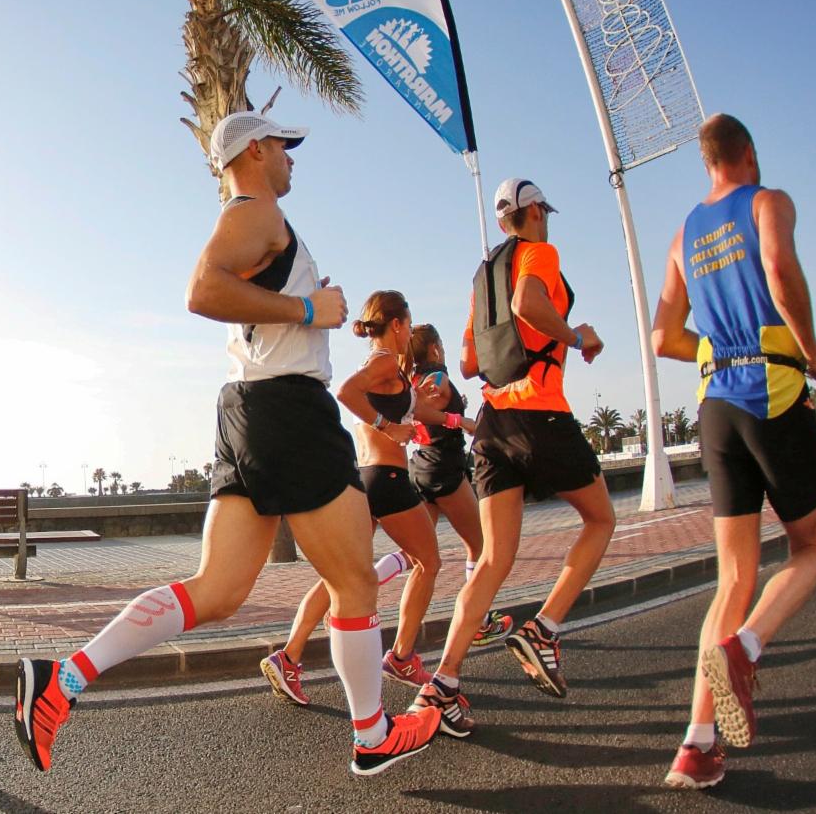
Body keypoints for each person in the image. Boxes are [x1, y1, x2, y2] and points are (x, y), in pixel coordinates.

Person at [13, 111, 439, 778]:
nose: (292, 159)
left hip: (245, 409)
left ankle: (63, 678)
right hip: (290, 410)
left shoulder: (257, 222)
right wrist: (309, 311)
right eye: (285, 148)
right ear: (256, 150)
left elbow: (237, 294)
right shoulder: (256, 213)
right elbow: (203, 289)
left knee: (216, 590)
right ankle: (373, 731)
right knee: (354, 581)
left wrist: (306, 308)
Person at [652, 114, 816, 789]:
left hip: (715, 410)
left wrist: (714, 346)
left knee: (733, 578)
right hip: (772, 394)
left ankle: (695, 745)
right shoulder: (768, 202)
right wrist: (810, 350)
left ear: (708, 164)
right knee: (813, 543)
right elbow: (780, 270)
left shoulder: (682, 236)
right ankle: (746, 647)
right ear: (748, 155)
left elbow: (661, 337)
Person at [416, 178, 616, 736]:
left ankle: (445, 682)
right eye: (543, 212)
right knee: (601, 519)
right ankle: (544, 629)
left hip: (493, 426)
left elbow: (470, 362)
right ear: (529, 212)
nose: (547, 220)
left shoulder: (481, 279)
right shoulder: (540, 253)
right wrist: (576, 337)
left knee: (494, 559)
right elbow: (530, 301)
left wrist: (515, 339)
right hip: (540, 413)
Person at [259, 292, 467, 706]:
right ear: (397, 324)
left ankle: (289, 656)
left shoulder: (387, 367)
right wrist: (389, 427)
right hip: (389, 480)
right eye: (409, 324)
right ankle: (404, 658)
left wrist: (464, 421)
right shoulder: (384, 361)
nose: (410, 332)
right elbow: (346, 393)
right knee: (430, 562)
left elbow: (417, 412)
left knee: (342, 576)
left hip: (366, 479)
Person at [406, 323, 511, 649]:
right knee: (480, 546)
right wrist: (462, 421)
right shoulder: (436, 378)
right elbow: (424, 413)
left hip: (421, 466)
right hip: (445, 470)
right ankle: (478, 623)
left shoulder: (412, 379)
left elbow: (413, 412)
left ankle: (345, 594)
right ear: (435, 349)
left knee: (416, 558)